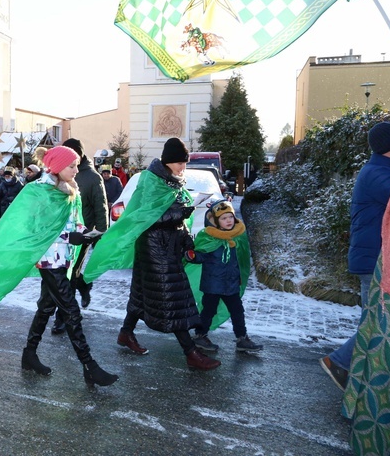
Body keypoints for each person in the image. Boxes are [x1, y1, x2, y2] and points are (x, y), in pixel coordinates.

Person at [0, 145, 118, 387]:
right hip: (48, 260)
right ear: (57, 166)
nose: (77, 170)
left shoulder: (71, 191)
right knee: (71, 311)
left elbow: (75, 222)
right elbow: (36, 229)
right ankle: (89, 366)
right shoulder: (37, 191)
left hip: (64, 258)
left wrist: (84, 234)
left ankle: (29, 354)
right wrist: (69, 237)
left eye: (77, 165)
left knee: (47, 308)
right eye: (72, 166)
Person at [84, 137, 221, 371]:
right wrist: (184, 210)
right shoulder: (151, 181)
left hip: (167, 246)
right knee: (171, 297)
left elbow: (174, 217)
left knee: (142, 294)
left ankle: (126, 334)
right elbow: (148, 218)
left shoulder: (173, 181)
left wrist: (186, 237)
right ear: (168, 161)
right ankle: (191, 353)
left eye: (184, 163)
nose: (183, 167)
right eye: (179, 163)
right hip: (155, 248)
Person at [320, 121, 390, 390]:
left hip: (378, 258)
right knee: (375, 321)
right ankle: (341, 363)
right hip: (375, 260)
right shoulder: (378, 174)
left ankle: (352, 368)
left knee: (375, 320)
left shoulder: (382, 170)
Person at [342, 187, 390, 455]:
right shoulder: (380, 173)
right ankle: (340, 362)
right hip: (377, 265)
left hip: (376, 263)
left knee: (371, 326)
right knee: (373, 326)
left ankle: (340, 363)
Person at [184, 199, 263, 353]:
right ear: (215, 221)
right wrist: (192, 256)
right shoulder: (209, 237)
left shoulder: (238, 236)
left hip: (231, 284)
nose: (228, 221)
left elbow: (242, 259)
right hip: (212, 285)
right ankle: (200, 335)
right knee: (209, 311)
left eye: (230, 217)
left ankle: (242, 338)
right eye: (223, 218)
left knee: (237, 311)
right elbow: (202, 255)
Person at [51, 137, 108, 335]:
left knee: (69, 276)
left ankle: (61, 318)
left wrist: (98, 233)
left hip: (81, 236)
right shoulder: (59, 173)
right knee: (60, 276)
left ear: (79, 155)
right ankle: (83, 285)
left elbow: (101, 208)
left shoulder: (92, 177)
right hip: (60, 236)